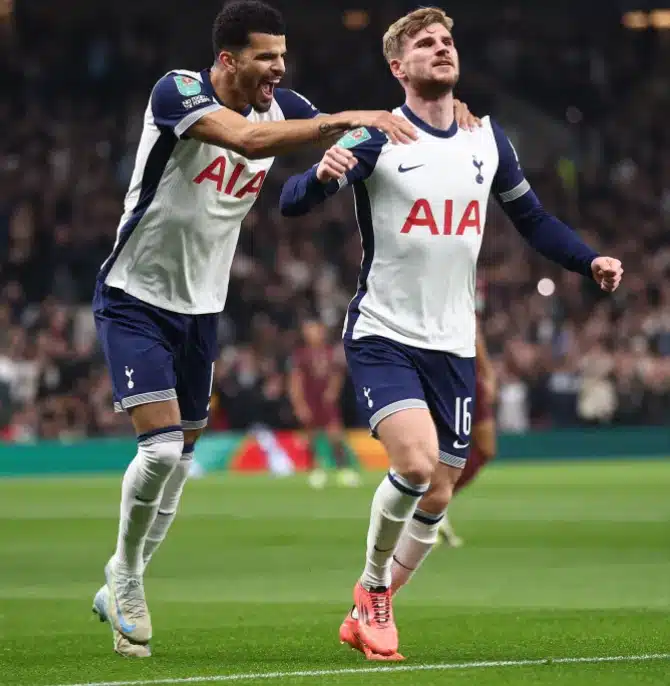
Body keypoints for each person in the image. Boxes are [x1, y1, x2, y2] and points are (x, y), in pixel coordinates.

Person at [89, 0, 478, 659]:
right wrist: (343, 119)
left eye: (283, 55)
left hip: (202, 308)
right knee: (158, 451)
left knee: (180, 462)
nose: (279, 67)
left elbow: (361, 142)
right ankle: (124, 574)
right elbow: (243, 139)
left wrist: (449, 120)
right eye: (266, 56)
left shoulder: (289, 107)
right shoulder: (178, 91)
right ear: (227, 59)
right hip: (135, 295)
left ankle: (129, 576)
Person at [279, 6, 623, 661]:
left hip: (454, 345)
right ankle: (376, 593)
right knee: (412, 465)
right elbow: (293, 200)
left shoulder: (487, 140)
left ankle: (365, 607)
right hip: (383, 333)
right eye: (424, 44)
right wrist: (321, 174)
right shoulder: (377, 138)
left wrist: (589, 260)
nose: (440, 49)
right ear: (398, 67)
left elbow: (534, 219)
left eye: (446, 40)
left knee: (438, 492)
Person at [439, 283, 497, 547]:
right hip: (453, 371)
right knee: (450, 447)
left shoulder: (471, 278)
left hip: (467, 370)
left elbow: (474, 328)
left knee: (485, 448)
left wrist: (485, 371)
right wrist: (487, 371)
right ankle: (430, 505)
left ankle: (435, 501)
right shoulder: (453, 278)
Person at [288, 318, 360, 488]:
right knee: (311, 437)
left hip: (326, 402)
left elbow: (337, 375)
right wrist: (299, 404)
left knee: (335, 435)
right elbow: (295, 381)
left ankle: (344, 469)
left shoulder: (330, 352)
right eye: (308, 330)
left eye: (314, 329)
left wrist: (332, 392)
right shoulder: (301, 355)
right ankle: (316, 470)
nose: (311, 333)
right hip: (310, 400)